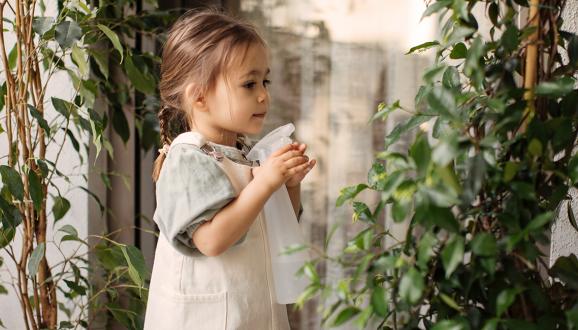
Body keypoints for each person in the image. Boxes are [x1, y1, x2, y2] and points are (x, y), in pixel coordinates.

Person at [143, 8, 316, 330]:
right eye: (249, 84)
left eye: (264, 81)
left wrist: (288, 186)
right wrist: (264, 183)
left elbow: (277, 226)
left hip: (251, 309)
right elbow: (211, 240)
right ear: (200, 97)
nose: (264, 94)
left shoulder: (243, 153)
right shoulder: (189, 158)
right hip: (205, 318)